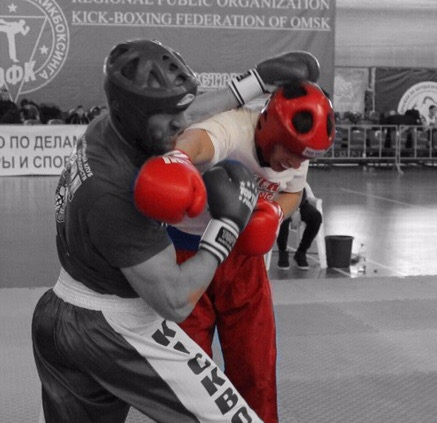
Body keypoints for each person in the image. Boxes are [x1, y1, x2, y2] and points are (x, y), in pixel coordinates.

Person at [30, 39, 277, 423]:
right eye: (167, 115)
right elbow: (176, 301)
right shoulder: (118, 194)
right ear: (132, 112)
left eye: (179, 109)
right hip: (114, 326)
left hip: (58, 313)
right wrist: (226, 226)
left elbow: (183, 112)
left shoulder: (110, 127)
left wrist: (255, 82)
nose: (182, 123)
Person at [134, 80, 335, 423]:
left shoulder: (299, 151)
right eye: (291, 153)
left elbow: (294, 191)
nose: (295, 162)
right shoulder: (234, 127)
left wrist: (275, 214)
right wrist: (177, 159)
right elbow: (198, 140)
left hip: (243, 259)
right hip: (186, 257)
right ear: (270, 129)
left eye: (303, 157)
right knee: (190, 370)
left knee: (255, 364)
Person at [276, 183, 322, 270]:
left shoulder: (298, 175)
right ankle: (283, 251)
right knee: (283, 218)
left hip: (299, 203)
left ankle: (301, 252)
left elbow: (301, 190)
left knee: (316, 217)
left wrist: (297, 209)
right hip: (280, 203)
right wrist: (292, 211)